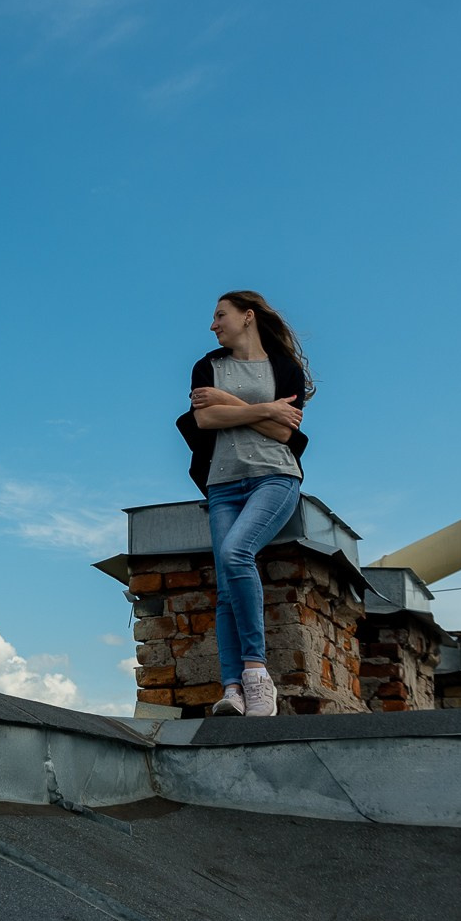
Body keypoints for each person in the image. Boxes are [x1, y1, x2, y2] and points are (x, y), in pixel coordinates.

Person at [174, 291, 314, 718]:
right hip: (223, 484)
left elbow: (286, 435)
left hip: (275, 477)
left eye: (220, 315)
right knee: (225, 590)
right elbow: (204, 420)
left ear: (247, 317)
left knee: (237, 553)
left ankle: (257, 673)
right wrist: (266, 409)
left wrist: (234, 404)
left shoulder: (284, 368)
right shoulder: (207, 366)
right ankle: (232, 689)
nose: (213, 324)